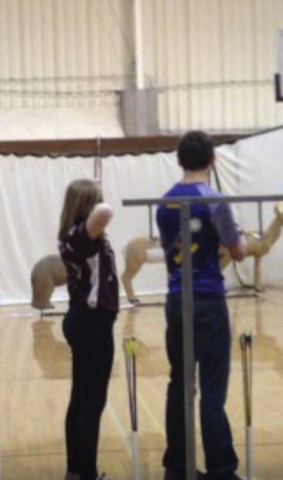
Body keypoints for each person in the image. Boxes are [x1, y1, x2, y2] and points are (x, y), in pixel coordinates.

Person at [157, 130, 247, 480]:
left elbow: (170, 254)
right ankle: (222, 471)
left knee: (180, 385)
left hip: (177, 298)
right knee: (212, 388)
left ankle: (176, 469)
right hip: (208, 299)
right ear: (212, 159)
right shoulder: (214, 199)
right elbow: (238, 251)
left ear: (180, 160)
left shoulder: (164, 201)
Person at [57, 179, 119, 480]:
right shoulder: (81, 236)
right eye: (95, 201)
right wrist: (98, 198)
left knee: (82, 399)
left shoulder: (76, 236)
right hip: (91, 323)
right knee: (91, 403)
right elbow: (106, 212)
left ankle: (75, 471)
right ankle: (87, 473)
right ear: (86, 207)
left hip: (85, 320)